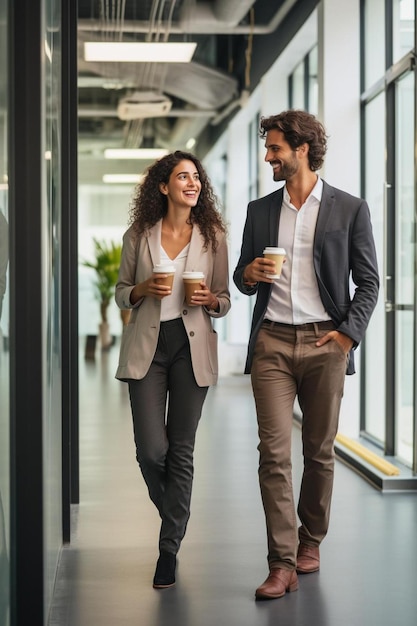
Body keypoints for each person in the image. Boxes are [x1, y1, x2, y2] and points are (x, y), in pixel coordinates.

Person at [233, 110, 379, 601]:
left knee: (318, 452)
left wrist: (346, 337)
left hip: (324, 343)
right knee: (273, 454)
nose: (269, 157)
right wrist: (250, 273)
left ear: (302, 149)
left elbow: (370, 282)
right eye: (268, 148)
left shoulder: (349, 209)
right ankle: (282, 562)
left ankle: (310, 539)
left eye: (275, 148)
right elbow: (240, 278)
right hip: (272, 340)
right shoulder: (259, 211)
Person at [115, 150, 231, 590]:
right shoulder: (139, 235)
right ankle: (176, 515)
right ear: (163, 187)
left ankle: (168, 550)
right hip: (148, 345)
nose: (193, 183)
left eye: (197, 177)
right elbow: (121, 294)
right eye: (183, 176)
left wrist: (210, 302)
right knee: (151, 450)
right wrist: (143, 288)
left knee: (182, 449)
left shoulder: (213, 236)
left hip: (191, 346)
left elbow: (222, 299)